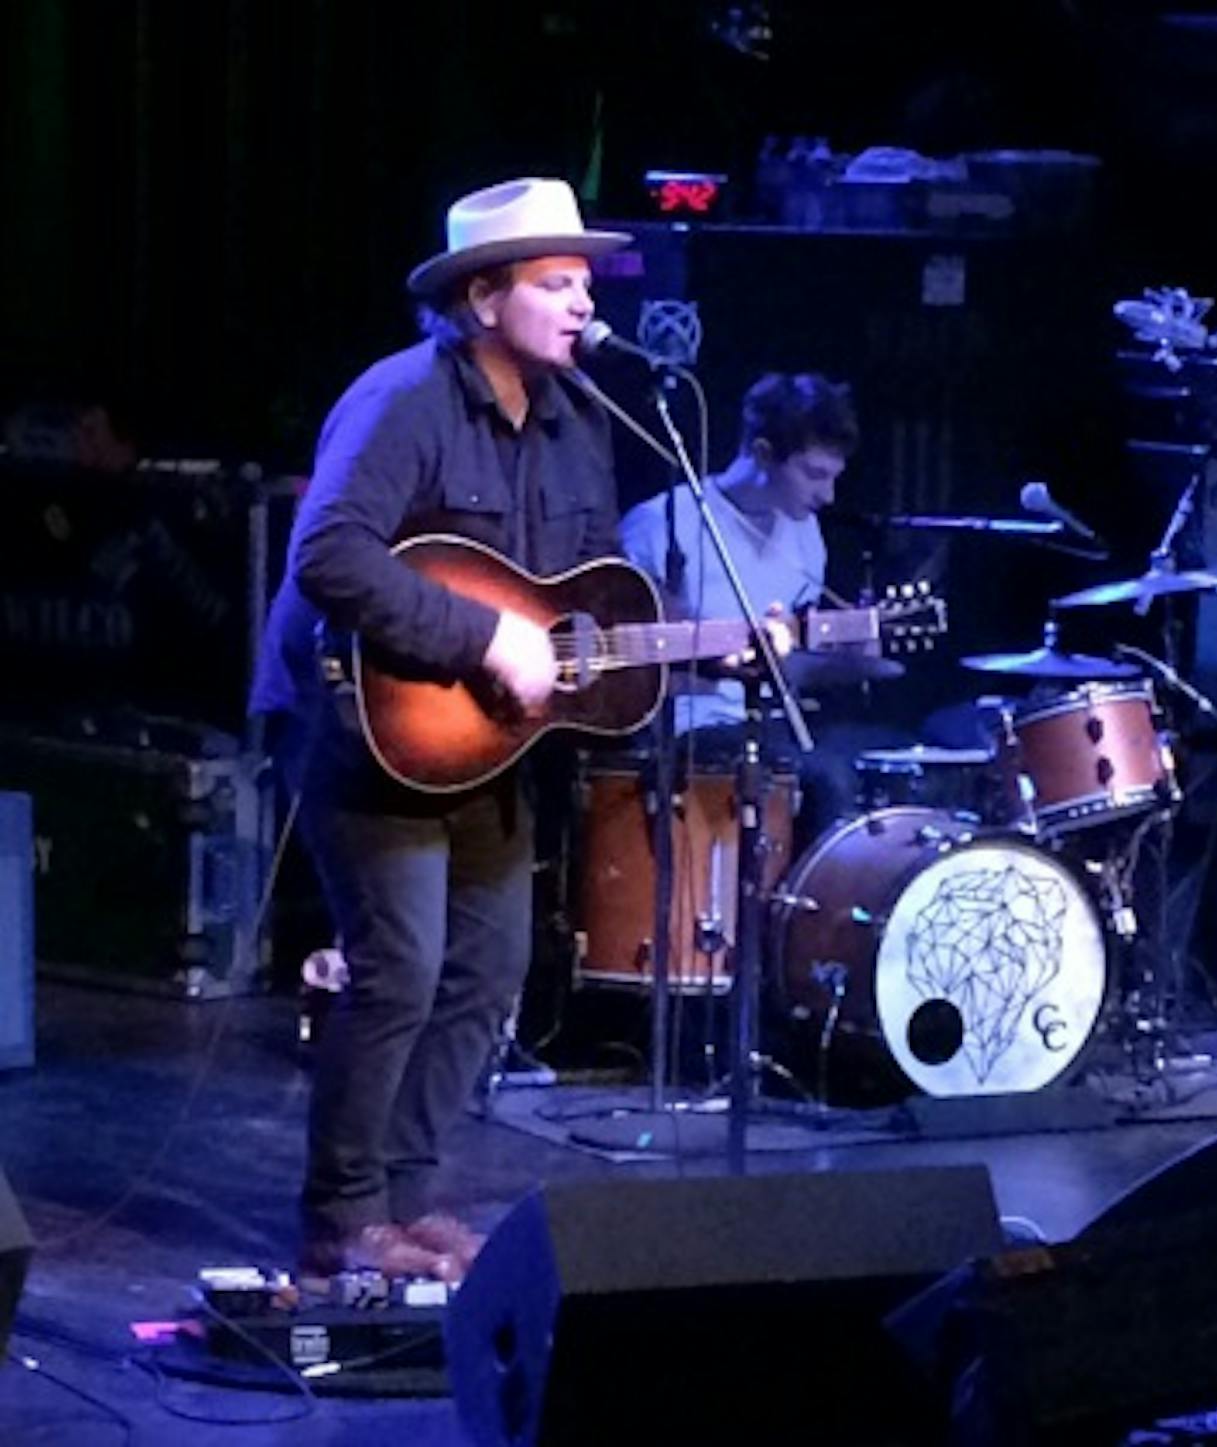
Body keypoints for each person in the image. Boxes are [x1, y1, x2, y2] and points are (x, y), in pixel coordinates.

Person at [250, 178, 629, 1278]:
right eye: (555, 281)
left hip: (483, 742)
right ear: (480, 297)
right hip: (360, 726)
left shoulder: (580, 421)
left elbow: (582, 589)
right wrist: (481, 639)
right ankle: (339, 1215)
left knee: (488, 969)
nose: (581, 301)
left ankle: (408, 1202)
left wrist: (638, 650)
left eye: (585, 280)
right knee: (400, 967)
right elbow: (328, 556)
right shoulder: (401, 399)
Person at [618, 372, 907, 843]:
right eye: (814, 475)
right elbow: (640, 671)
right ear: (762, 453)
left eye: (835, 478)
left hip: (765, 726)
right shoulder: (661, 524)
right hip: (687, 732)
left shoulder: (804, 534)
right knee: (827, 780)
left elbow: (792, 664)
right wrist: (726, 665)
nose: (827, 496)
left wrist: (854, 652)